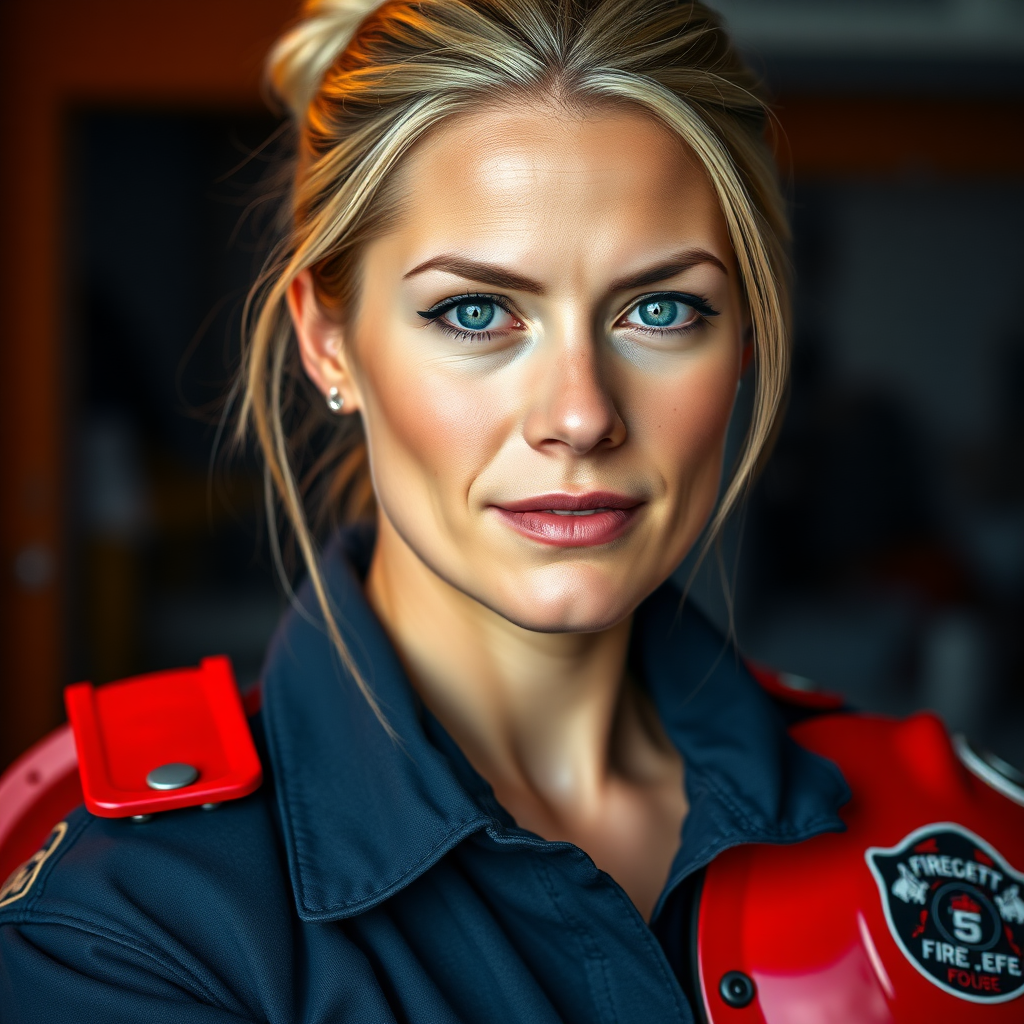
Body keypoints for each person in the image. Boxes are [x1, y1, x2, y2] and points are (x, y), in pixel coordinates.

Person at [8, 0, 1015, 1020]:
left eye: (660, 310)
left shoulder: (949, 839)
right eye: (476, 312)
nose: (579, 415)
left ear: (746, 339)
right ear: (329, 342)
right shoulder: (134, 914)